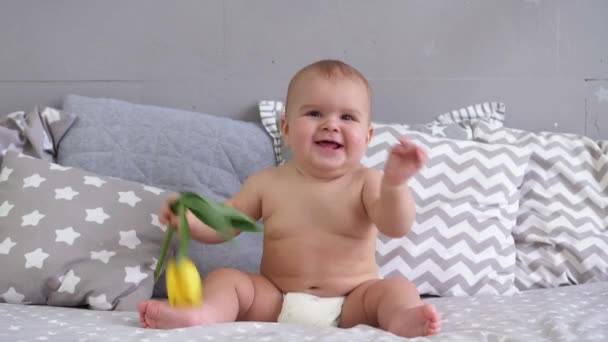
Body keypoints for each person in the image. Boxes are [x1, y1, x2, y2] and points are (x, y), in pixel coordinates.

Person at [138, 59, 441, 337]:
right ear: (286, 128)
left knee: (397, 289)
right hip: (276, 299)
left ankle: (401, 318)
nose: (331, 124)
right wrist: (190, 220)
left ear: (368, 136)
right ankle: (205, 314)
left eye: (347, 117)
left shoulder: (368, 182)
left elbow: (396, 225)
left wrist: (395, 184)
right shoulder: (267, 183)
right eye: (314, 113)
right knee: (226, 279)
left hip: (353, 301)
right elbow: (226, 224)